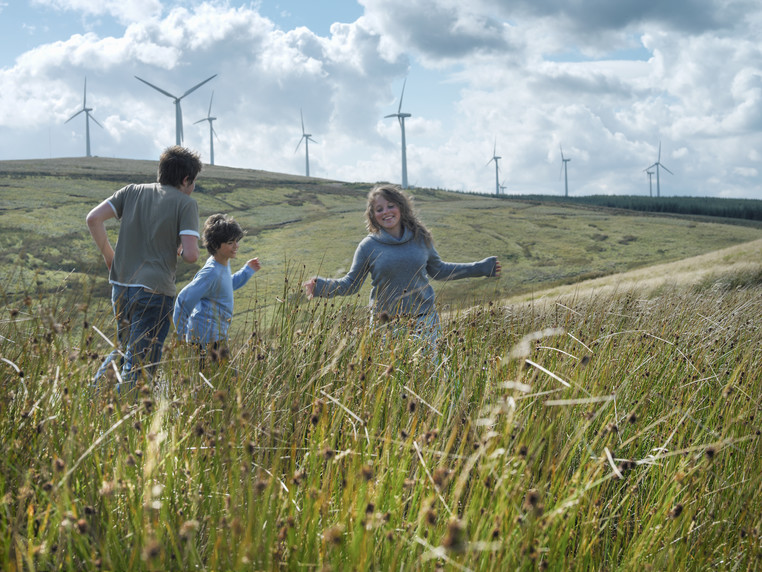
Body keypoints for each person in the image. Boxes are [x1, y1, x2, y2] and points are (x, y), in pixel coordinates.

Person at [302, 184, 501, 347]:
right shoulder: (368, 246)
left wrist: (481, 268)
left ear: (401, 207)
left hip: (425, 322)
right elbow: (351, 284)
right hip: (385, 325)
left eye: (390, 206)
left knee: (430, 378)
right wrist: (321, 286)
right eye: (379, 209)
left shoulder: (420, 238)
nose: (386, 212)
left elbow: (439, 271)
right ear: (372, 215)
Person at [86, 145, 202, 392]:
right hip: (155, 292)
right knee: (139, 366)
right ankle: (124, 415)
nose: (193, 188)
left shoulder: (131, 191)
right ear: (185, 179)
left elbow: (93, 219)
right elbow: (191, 256)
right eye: (193, 182)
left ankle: (92, 399)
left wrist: (110, 258)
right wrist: (185, 249)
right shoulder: (186, 204)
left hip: (121, 286)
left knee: (122, 349)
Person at [173, 214, 260, 368]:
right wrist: (181, 335)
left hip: (215, 336)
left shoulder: (222, 264)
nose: (236, 246)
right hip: (205, 340)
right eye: (230, 242)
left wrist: (247, 271)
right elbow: (183, 300)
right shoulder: (211, 272)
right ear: (216, 245)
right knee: (222, 382)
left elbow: (226, 286)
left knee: (225, 381)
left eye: (236, 241)